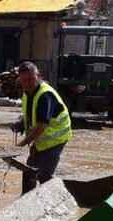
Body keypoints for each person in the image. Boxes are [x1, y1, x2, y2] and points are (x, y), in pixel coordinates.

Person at [10, 61, 72, 194]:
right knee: (28, 169)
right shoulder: (28, 92)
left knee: (45, 176)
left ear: (38, 75)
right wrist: (21, 124)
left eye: (31, 79)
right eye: (24, 80)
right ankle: (25, 198)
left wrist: (22, 143)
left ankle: (54, 201)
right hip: (41, 138)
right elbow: (32, 114)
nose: (27, 83)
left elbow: (41, 126)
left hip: (56, 138)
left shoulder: (45, 96)